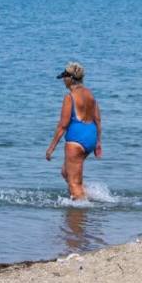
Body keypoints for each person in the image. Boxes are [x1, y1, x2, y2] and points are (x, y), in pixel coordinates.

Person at [45, 62, 102, 200]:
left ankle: (80, 207)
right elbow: (98, 120)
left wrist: (51, 148)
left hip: (77, 140)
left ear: (70, 78)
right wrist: (98, 143)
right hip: (91, 136)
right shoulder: (90, 94)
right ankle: (88, 195)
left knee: (73, 182)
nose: (63, 80)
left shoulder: (69, 97)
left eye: (64, 77)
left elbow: (63, 125)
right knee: (66, 172)